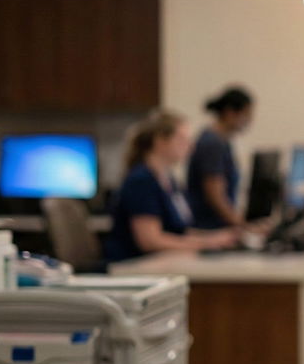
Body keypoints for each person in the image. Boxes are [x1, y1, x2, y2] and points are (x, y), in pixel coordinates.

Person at [104, 108, 236, 263]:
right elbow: (150, 241)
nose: (190, 146)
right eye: (182, 139)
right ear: (160, 141)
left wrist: (215, 237)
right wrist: (205, 244)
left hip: (160, 263)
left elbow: (178, 232)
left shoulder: (168, 180)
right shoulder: (142, 180)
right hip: (133, 267)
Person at [186, 86, 258, 231]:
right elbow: (215, 195)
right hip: (209, 227)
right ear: (230, 113)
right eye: (247, 114)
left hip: (217, 227)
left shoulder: (222, 142)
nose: (249, 121)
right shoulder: (212, 144)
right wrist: (244, 225)